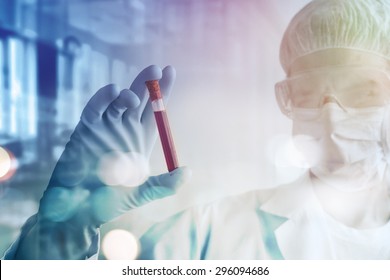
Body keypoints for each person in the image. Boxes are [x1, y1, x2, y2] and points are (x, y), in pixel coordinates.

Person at [3, 0, 390, 259]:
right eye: (306, 94)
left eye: (362, 90)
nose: (332, 119)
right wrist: (59, 239)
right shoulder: (210, 235)